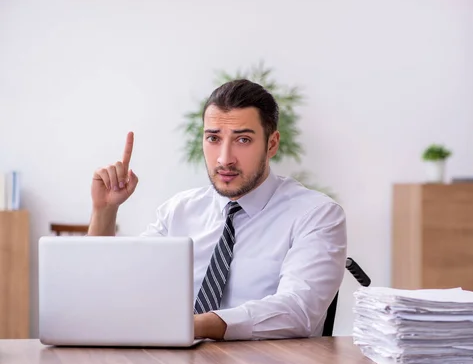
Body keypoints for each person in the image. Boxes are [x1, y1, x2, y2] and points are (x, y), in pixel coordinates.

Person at [87, 79, 348, 341]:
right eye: (213, 138)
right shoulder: (180, 210)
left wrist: (191, 326)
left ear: (272, 144)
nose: (224, 158)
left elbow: (298, 311)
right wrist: (104, 211)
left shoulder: (317, 214)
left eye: (243, 139)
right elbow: (115, 284)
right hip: (175, 362)